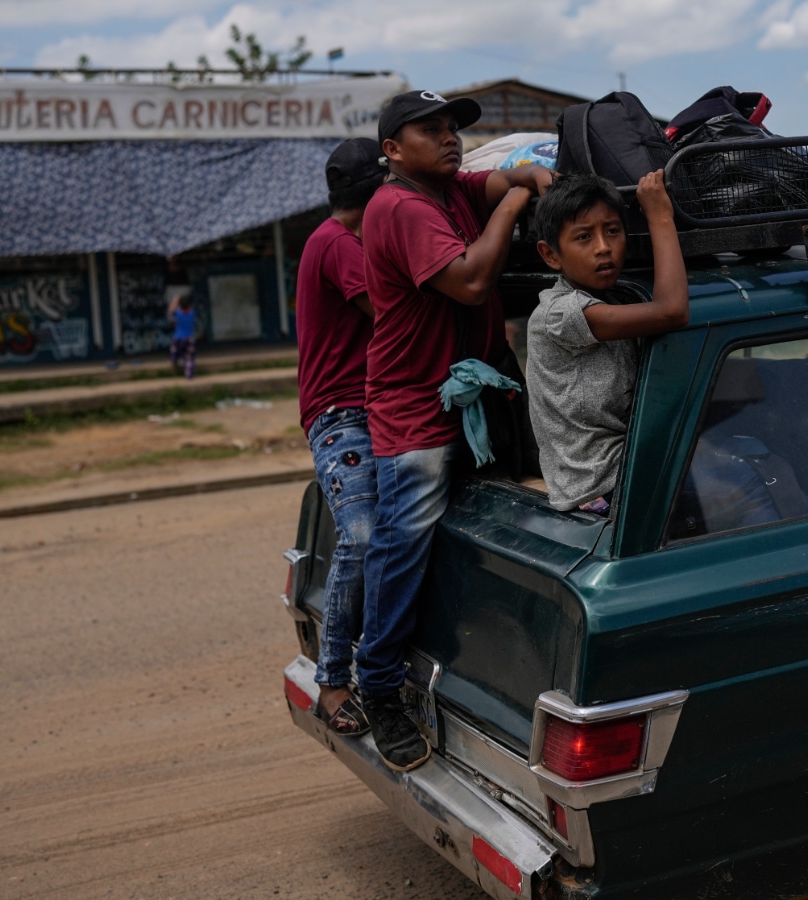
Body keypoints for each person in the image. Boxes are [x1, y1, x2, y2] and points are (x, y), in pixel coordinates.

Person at [357, 89, 553, 771]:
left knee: (485, 534)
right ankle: (378, 687)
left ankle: (468, 670)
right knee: (403, 546)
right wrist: (513, 202)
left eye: (452, 129)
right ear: (391, 150)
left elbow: (501, 177)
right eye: (430, 130)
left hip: (470, 399)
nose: (448, 139)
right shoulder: (401, 206)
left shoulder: (450, 189)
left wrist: (526, 175)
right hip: (416, 408)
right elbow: (470, 281)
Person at [294, 137, 388, 738]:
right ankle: (331, 684)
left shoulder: (337, 241)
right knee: (360, 536)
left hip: (367, 411)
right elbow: (392, 310)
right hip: (342, 414)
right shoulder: (338, 245)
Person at [525, 172, 688, 513]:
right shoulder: (560, 313)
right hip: (601, 487)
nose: (603, 247)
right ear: (551, 255)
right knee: (745, 485)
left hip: (630, 467)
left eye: (613, 231)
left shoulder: (615, 297)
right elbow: (672, 311)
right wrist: (660, 215)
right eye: (584, 237)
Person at [165, 265, 198, 379]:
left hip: (179, 338)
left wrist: (175, 300)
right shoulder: (192, 313)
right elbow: (190, 306)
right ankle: (189, 375)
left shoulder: (178, 313)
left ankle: (174, 362)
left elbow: (170, 310)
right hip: (190, 338)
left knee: (175, 351)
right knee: (189, 357)